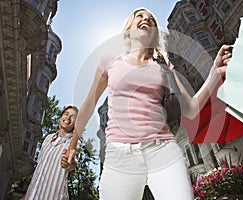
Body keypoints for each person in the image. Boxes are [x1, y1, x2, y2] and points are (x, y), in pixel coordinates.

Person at [64, 8, 232, 200]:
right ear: (129, 28)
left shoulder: (164, 65)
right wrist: (72, 146)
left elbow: (191, 109)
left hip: (163, 150)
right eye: (140, 16)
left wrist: (215, 74)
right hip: (120, 154)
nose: (146, 19)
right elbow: (89, 104)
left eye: (151, 19)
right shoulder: (110, 59)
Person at [22, 105, 81, 200]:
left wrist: (70, 163)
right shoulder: (48, 138)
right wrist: (26, 195)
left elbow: (72, 162)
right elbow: (39, 170)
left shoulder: (74, 143)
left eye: (73, 117)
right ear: (61, 117)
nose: (68, 118)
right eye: (66, 114)